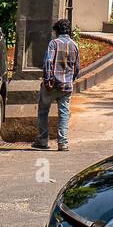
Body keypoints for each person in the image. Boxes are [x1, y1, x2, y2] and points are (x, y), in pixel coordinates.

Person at [33, 19, 80, 152]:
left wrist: (47, 80)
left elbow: (48, 62)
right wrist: (71, 79)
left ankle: (42, 141)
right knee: (64, 114)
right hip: (66, 86)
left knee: (43, 111)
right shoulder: (74, 45)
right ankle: (63, 143)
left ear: (57, 30)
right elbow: (77, 67)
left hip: (52, 85)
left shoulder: (53, 44)